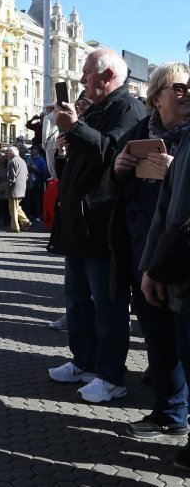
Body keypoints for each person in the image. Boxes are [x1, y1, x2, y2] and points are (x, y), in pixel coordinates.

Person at [47, 48, 147, 403]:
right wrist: (68, 140)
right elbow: (88, 156)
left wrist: (75, 127)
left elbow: (115, 153)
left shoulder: (129, 109)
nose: (81, 79)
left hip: (103, 226)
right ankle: (85, 362)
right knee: (77, 300)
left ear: (107, 76)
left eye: (87, 72)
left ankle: (111, 375)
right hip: (80, 224)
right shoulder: (98, 108)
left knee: (108, 306)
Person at [101, 63, 190, 440]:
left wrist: (175, 170)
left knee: (184, 339)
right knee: (158, 337)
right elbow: (107, 194)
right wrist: (118, 171)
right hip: (144, 252)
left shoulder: (186, 141)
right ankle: (170, 412)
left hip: (181, 256)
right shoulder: (137, 133)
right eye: (179, 88)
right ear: (156, 97)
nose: (186, 94)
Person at [139, 73, 190, 469]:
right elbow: (164, 213)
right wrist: (150, 268)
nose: (186, 91)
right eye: (179, 86)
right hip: (174, 273)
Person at [6, 146, 31, 232]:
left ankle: (15, 227)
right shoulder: (22, 161)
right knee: (16, 207)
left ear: (11, 153)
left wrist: (8, 188)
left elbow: (11, 178)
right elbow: (27, 175)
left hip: (14, 188)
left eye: (8, 153)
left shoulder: (12, 162)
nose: (7, 155)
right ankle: (25, 222)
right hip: (22, 187)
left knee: (13, 209)